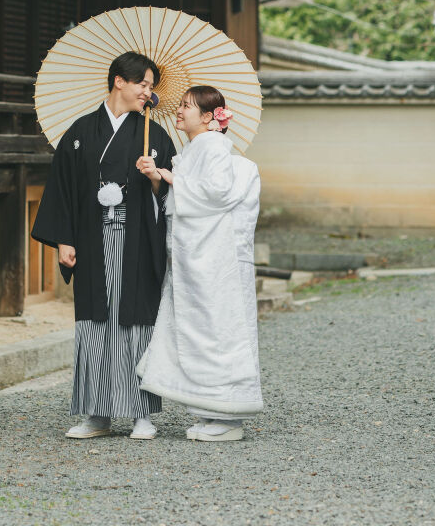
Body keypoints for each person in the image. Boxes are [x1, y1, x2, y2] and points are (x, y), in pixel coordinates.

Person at [31, 51, 176, 440]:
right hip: (93, 238)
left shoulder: (155, 136)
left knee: (136, 320)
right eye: (142, 84)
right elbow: (62, 190)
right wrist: (64, 238)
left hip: (137, 239)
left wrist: (157, 178)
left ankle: (143, 413)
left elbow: (172, 193)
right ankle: (96, 414)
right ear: (119, 82)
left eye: (150, 87)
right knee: (95, 321)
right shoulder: (79, 133)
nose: (148, 92)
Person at [135, 85, 263, 441]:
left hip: (211, 255)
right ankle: (211, 412)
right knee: (201, 327)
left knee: (214, 328)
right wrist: (157, 176)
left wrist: (170, 176)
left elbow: (218, 191)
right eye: (180, 105)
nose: (179, 111)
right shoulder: (198, 147)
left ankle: (226, 416)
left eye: (186, 106)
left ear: (209, 117)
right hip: (197, 253)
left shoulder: (211, 146)